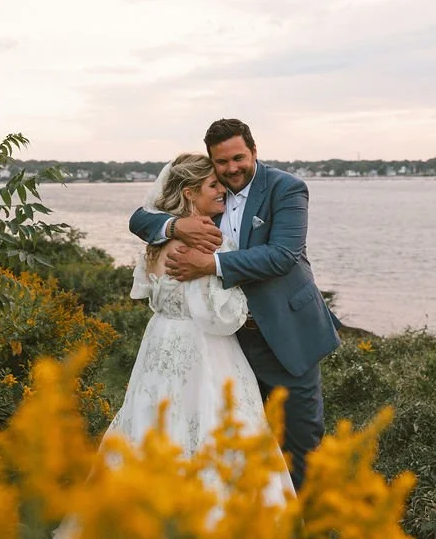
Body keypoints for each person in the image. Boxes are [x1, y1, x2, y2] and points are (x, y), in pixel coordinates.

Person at [129, 119, 340, 490]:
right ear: (213, 162)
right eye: (221, 162)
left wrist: (211, 264)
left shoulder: (286, 188)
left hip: (285, 336)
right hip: (228, 343)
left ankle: (306, 524)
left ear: (254, 151)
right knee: (237, 441)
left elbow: (282, 255)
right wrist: (176, 227)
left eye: (238, 158)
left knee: (301, 441)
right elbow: (140, 218)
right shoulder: (212, 195)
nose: (231, 169)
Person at [102, 153, 293, 503]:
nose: (222, 190)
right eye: (213, 185)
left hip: (160, 340)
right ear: (190, 192)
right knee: (209, 424)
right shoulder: (205, 240)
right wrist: (244, 299)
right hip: (205, 347)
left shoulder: (158, 240)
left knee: (152, 418)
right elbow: (220, 315)